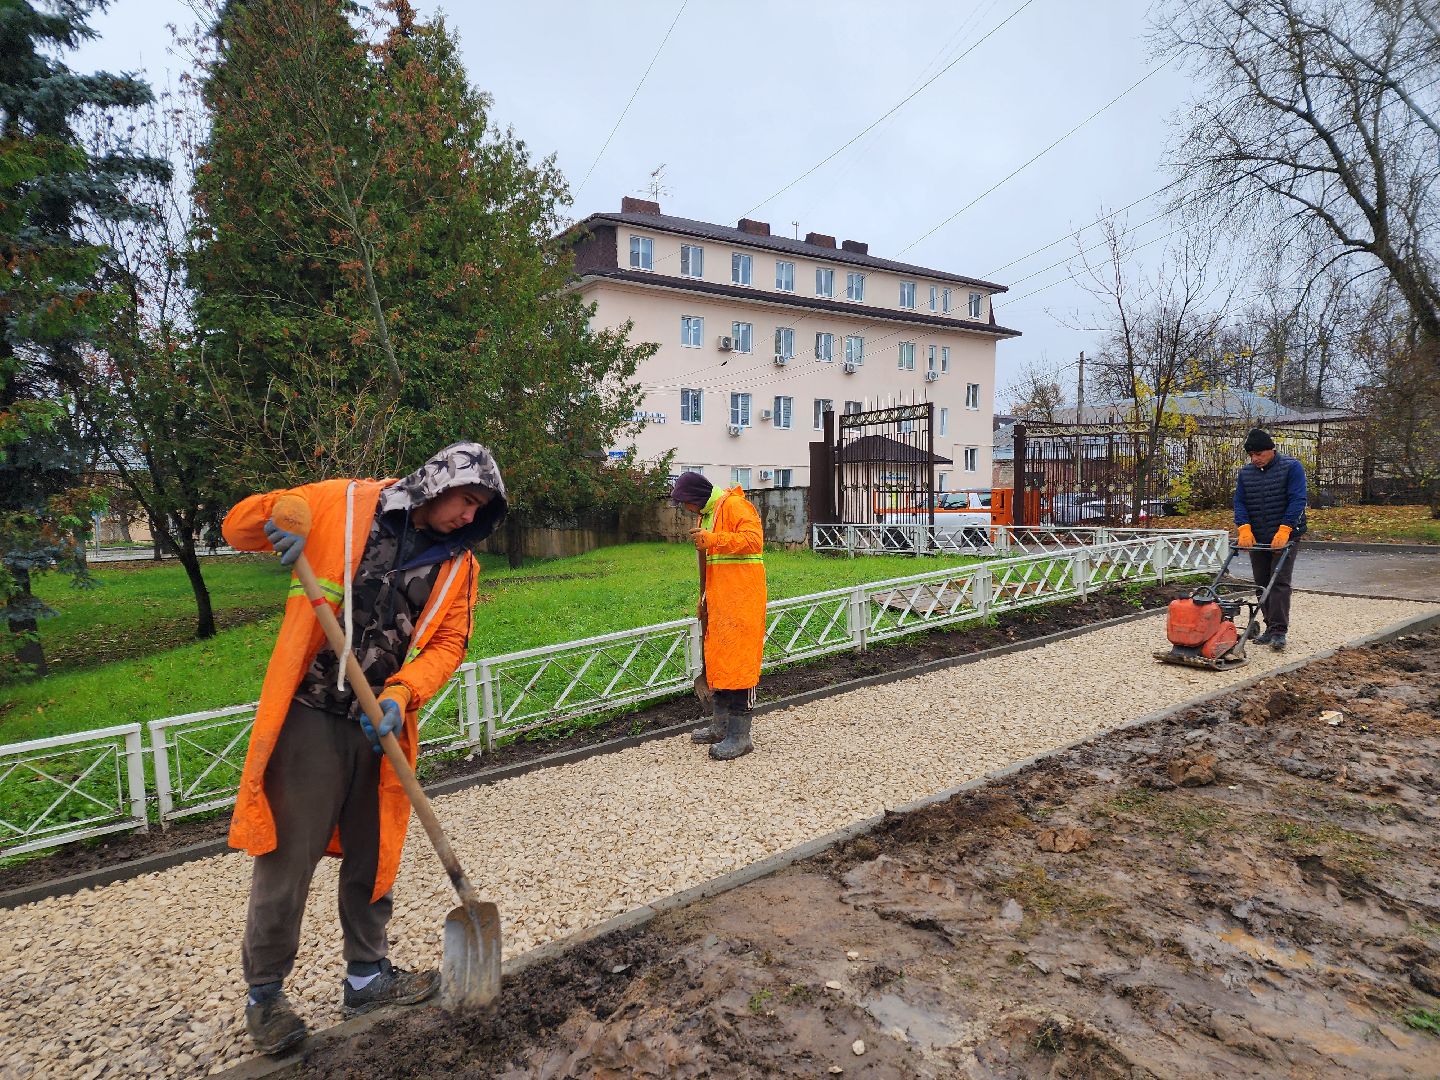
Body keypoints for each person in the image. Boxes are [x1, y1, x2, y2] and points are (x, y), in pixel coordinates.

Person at [222, 443, 507, 1055]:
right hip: (309, 713)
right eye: (466, 500)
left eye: (479, 507)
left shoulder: (460, 564)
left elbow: (449, 643)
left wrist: (404, 694)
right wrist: (279, 527)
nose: (468, 516)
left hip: (381, 726)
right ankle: (265, 995)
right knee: (288, 854)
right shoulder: (342, 504)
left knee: (375, 854)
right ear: (437, 483)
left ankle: (367, 976)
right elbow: (240, 523)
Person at [671, 471, 766, 760]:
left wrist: (713, 539)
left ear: (697, 497)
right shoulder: (707, 514)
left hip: (742, 601)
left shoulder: (736, 506)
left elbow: (754, 541)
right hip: (720, 602)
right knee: (720, 663)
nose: (685, 509)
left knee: (740, 667)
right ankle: (720, 727)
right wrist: (704, 599)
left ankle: (740, 736)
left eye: (686, 502)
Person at [1233, 428, 1306, 650]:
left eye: (1259, 454)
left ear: (1271, 450)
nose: (1255, 459)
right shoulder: (1246, 474)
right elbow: (1240, 502)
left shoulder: (1291, 468)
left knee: (1279, 583)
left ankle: (1279, 631)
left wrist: (1285, 529)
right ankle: (1268, 626)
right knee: (1261, 583)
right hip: (1258, 537)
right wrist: (1244, 528)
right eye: (1251, 455)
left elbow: (1298, 499)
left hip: (1285, 535)